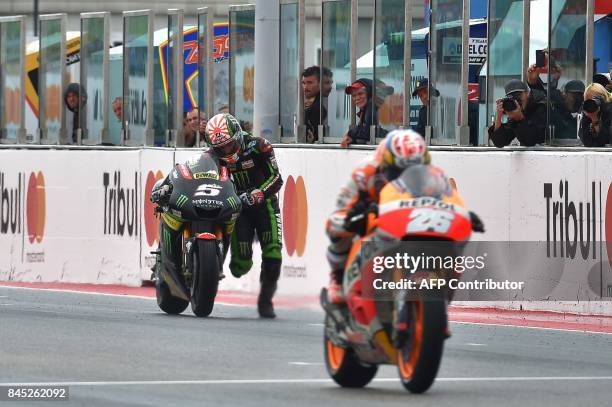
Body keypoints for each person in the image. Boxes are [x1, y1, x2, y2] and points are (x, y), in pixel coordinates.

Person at [327, 129, 439, 303]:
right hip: (370, 217)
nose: (406, 176)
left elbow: (445, 202)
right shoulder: (364, 173)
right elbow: (336, 219)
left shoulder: (430, 178)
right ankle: (339, 276)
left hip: (406, 219)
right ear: (385, 164)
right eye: (399, 170)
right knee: (338, 229)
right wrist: (356, 216)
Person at [205, 113, 284, 318]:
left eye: (229, 145)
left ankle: (266, 301)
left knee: (273, 252)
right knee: (240, 266)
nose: (226, 151)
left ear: (238, 136)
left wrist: (259, 193)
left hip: (265, 205)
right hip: (237, 209)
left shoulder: (260, 146)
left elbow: (277, 178)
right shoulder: (212, 156)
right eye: (221, 148)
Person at [488, 79, 547, 147]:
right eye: (512, 97)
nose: (517, 100)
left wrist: (520, 118)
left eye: (519, 95)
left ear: (527, 93)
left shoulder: (539, 108)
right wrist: (498, 117)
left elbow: (531, 141)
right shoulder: (515, 114)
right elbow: (500, 142)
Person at [340, 78, 393, 148]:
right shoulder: (365, 110)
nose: (357, 98)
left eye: (360, 94)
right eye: (354, 95)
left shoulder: (371, 105)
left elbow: (368, 133)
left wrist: (350, 133)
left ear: (368, 93)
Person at [302, 66, 333, 143]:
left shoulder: (319, 108)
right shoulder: (300, 105)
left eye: (310, 83)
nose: (305, 87)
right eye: (304, 83)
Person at [579, 83, 612, 147]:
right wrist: (587, 117)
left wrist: (595, 120)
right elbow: (585, 141)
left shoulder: (609, 109)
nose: (591, 104)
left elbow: (606, 141)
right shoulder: (586, 108)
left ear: (603, 98)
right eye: (588, 101)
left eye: (593, 100)